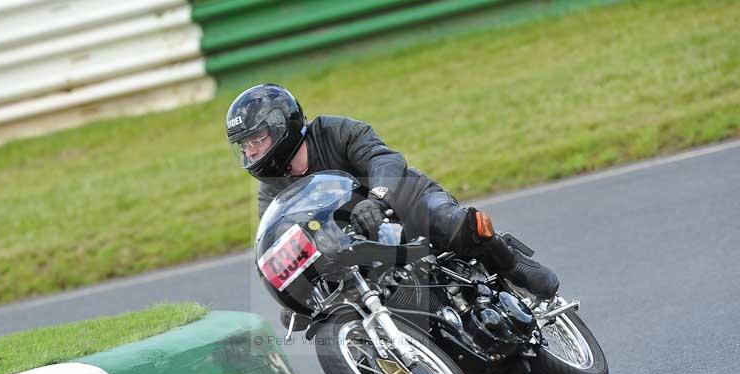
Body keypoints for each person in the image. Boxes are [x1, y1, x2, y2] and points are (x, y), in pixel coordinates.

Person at [226, 84, 559, 322]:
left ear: (282, 127)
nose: (251, 152)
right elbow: (285, 241)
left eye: (256, 140)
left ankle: (513, 263)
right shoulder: (272, 193)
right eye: (245, 146)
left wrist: (377, 198)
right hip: (359, 249)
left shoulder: (333, 131)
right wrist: (293, 291)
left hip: (407, 202)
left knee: (453, 224)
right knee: (342, 315)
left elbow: (383, 159)